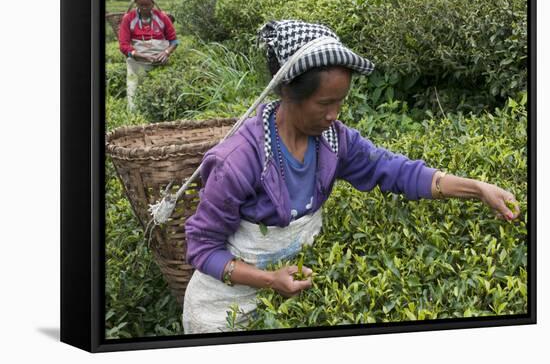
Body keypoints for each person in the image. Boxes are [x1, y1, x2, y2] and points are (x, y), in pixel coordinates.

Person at [182, 19, 521, 334]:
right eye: (323, 103)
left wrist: (477, 189)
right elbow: (202, 248)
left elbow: (398, 171)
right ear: (287, 92)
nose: (334, 115)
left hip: (289, 289)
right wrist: (269, 280)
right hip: (225, 304)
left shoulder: (335, 141)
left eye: (340, 102)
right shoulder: (239, 160)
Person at [118, 0, 179, 111]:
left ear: (153, 3)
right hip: (137, 62)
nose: (145, 8)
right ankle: (133, 115)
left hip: (160, 61)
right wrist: (140, 55)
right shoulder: (128, 19)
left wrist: (166, 52)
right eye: (141, 5)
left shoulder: (162, 18)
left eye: (148, 5)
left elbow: (174, 41)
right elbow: (123, 45)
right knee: (134, 91)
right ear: (136, 4)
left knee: (160, 93)